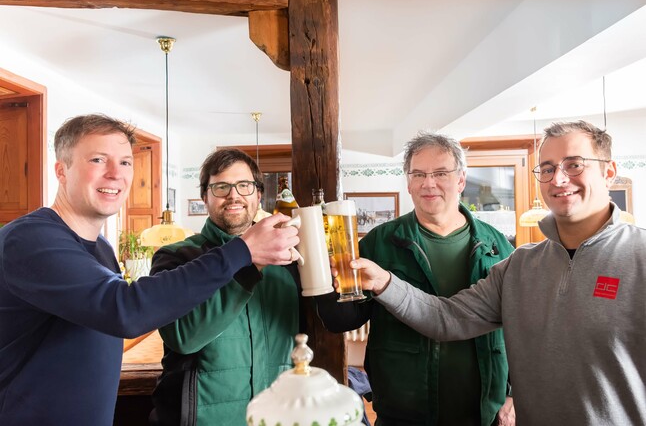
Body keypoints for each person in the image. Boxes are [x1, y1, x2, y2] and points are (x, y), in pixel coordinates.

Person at [0, 114, 299, 426]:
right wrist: (245, 252)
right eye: (98, 159)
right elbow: (126, 310)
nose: (116, 174)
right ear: (62, 170)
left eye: (126, 162)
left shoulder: (100, 248)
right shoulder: (29, 238)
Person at [349, 121, 646, 425]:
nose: (558, 178)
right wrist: (384, 282)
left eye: (574, 165)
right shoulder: (521, 265)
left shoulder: (641, 257)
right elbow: (445, 318)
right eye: (546, 168)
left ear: (608, 172)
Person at [317, 133, 515, 426]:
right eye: (418, 174)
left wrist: (514, 393)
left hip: (485, 413)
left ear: (461, 180)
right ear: (408, 182)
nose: (428, 183)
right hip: (403, 413)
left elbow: (520, 328)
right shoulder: (380, 243)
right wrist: (322, 270)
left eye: (440, 173)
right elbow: (342, 320)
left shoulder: (498, 246)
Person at [149, 149, 301, 426]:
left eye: (244, 186)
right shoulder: (175, 257)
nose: (234, 195)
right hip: (200, 418)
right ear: (205, 198)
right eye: (221, 187)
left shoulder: (290, 257)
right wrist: (250, 264)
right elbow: (184, 337)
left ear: (258, 195)